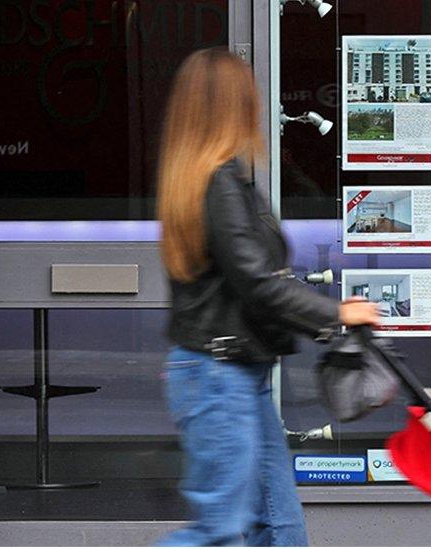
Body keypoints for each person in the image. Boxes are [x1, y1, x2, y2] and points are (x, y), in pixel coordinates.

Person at [155, 48, 380, 546]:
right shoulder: (219, 187)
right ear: (232, 105)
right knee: (219, 533)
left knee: (280, 531)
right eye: (250, 96)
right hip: (218, 377)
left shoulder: (224, 181)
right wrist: (336, 312)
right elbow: (257, 282)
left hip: (239, 373)